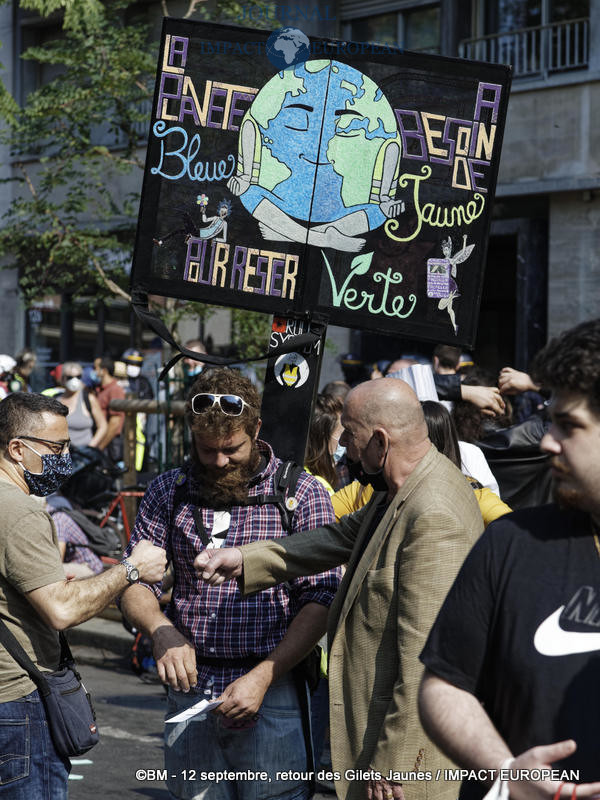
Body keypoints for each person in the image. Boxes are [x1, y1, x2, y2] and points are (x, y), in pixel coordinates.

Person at [196, 377, 484, 800]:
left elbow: (426, 660)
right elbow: (338, 537)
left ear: (380, 442)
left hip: (402, 771)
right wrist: (245, 559)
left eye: (351, 434)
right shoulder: (403, 489)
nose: (344, 445)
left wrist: (393, 765)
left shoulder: (434, 512)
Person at [119, 367, 341, 800]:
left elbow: (321, 598)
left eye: (231, 449)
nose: (219, 461)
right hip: (191, 689)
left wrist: (262, 677)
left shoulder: (302, 493)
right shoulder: (169, 490)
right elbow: (135, 583)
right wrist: (161, 631)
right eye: (207, 450)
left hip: (274, 686)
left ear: (256, 429)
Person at [418, 318, 600, 800]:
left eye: (570, 426)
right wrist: (506, 773)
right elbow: (444, 688)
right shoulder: (510, 543)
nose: (546, 442)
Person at [0, 391, 166, 798]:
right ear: (17, 449)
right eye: (56, 447)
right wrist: (132, 569)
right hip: (17, 703)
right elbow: (59, 610)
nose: (65, 457)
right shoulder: (19, 511)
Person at [54, 361, 107, 449]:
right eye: (70, 377)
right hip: (62, 455)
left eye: (78, 377)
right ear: (63, 379)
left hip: (85, 456)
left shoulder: (89, 398)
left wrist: (91, 446)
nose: (74, 380)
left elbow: (103, 426)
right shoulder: (56, 401)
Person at [304, 393, 344, 495]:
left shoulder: (288, 473)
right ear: (321, 440)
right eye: (340, 435)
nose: (344, 442)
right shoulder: (319, 489)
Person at [92, 356, 126, 463]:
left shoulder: (115, 390)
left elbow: (115, 422)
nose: (94, 372)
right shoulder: (98, 389)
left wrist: (101, 447)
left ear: (104, 371)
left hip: (109, 444)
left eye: (95, 368)